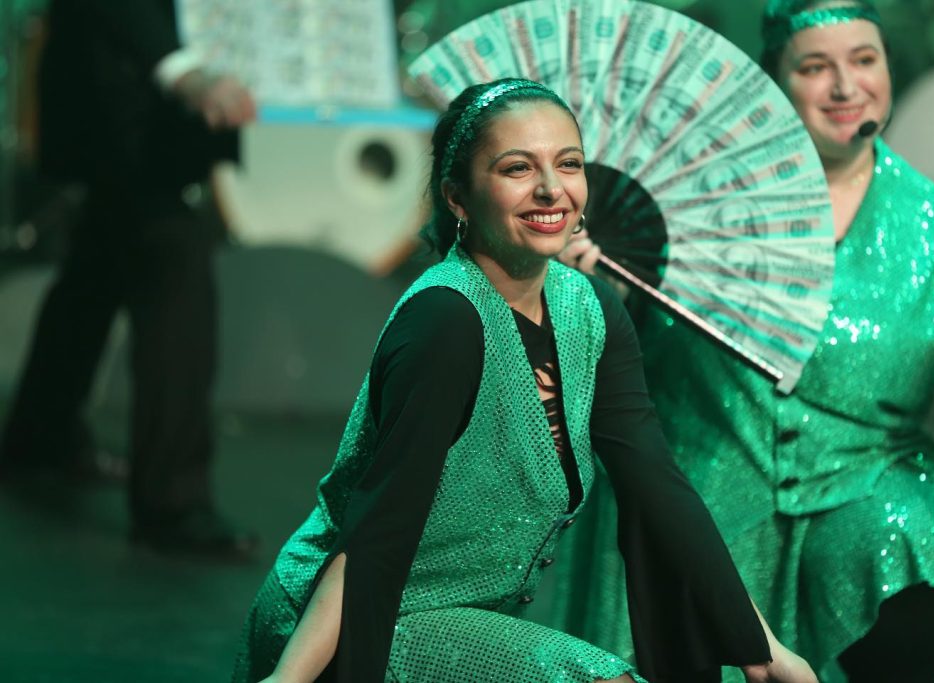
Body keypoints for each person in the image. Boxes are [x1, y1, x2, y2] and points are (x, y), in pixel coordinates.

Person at [231, 78, 818, 683]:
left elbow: (656, 486)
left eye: (568, 163)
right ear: (457, 197)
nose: (550, 189)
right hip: (363, 621)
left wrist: (762, 649)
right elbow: (375, 534)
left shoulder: (588, 309)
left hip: (468, 619)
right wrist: (288, 679)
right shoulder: (447, 320)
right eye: (517, 168)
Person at [554, 2, 934, 682]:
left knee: (903, 535)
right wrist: (596, 300)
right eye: (816, 67)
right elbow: (606, 369)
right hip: (706, 495)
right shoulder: (684, 200)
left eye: (864, 60)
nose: (846, 88)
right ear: (776, 81)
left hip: (865, 493)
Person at [0, 0, 258, 558]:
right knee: (173, 261)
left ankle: (39, 437)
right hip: (125, 100)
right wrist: (182, 69)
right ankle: (172, 505)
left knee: (97, 266)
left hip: (142, 108)